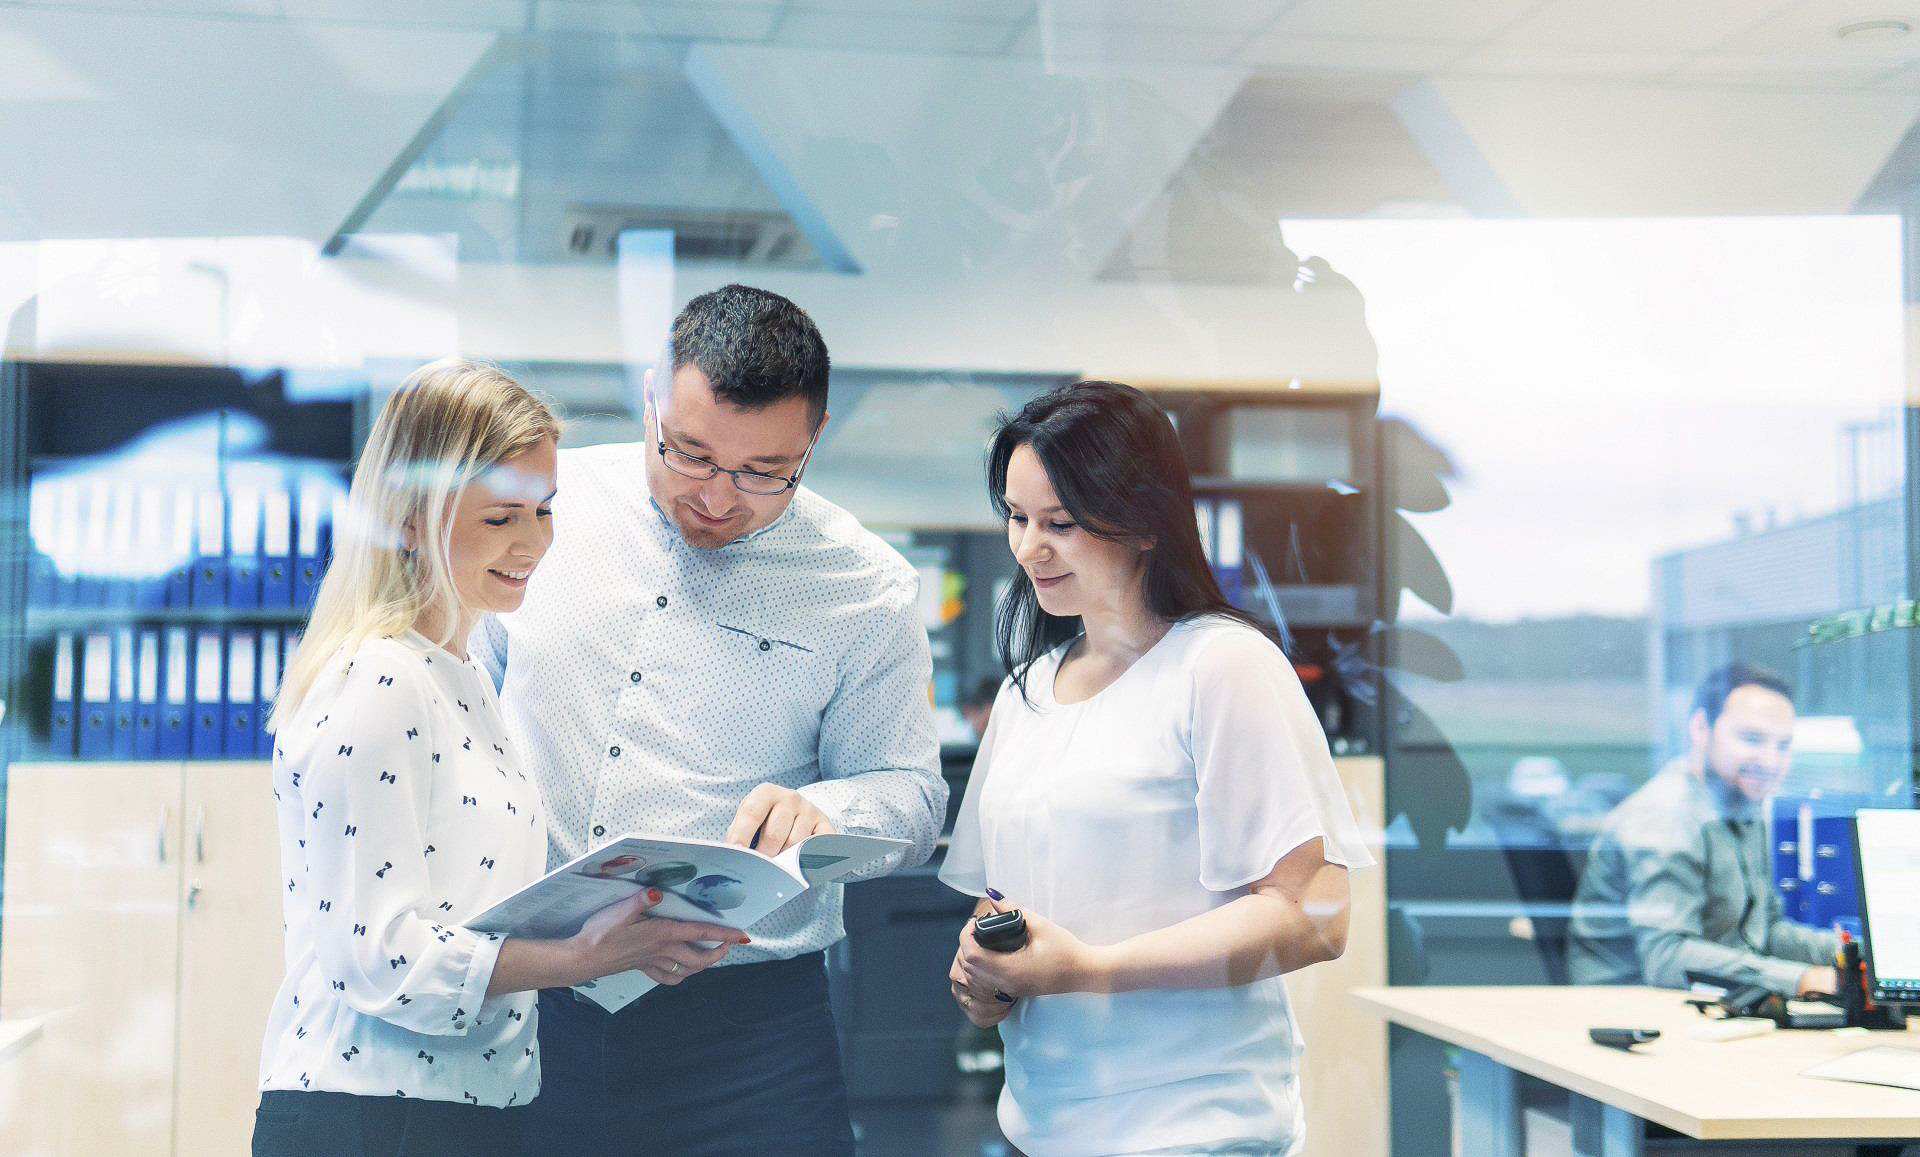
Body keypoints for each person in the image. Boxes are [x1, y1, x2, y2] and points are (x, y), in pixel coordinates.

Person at [478, 285, 947, 1155]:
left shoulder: (864, 588)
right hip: (533, 1001)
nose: (719, 498)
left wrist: (833, 814)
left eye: (764, 472)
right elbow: (459, 703)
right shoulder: (544, 508)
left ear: (815, 438)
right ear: (652, 396)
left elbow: (916, 799)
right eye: (689, 453)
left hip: (749, 1035)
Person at [253, 359, 746, 1157]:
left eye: (544, 512)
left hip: (475, 1107)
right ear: (411, 518)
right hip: (377, 1117)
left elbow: (466, 909)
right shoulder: (379, 679)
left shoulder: (469, 672)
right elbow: (377, 959)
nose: (533, 544)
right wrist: (574, 957)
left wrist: (622, 928)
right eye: (501, 517)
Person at [940, 380, 1372, 1156]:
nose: (1028, 547)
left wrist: (1094, 970)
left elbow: (1315, 913)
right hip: (1047, 1124)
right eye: (1016, 516)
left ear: (1142, 520)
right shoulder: (1026, 689)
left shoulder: (1221, 665)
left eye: (1060, 523)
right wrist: (985, 977)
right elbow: (1000, 899)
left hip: (1194, 1127)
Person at [1569, 662, 1839, 995]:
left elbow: (1763, 932)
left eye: (1783, 746)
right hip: (1632, 1007)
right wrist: (1803, 979)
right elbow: (1667, 958)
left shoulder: (1739, 804)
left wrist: (1850, 953)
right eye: (1752, 739)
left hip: (1707, 1001)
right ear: (1700, 728)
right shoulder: (1666, 817)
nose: (1771, 761)